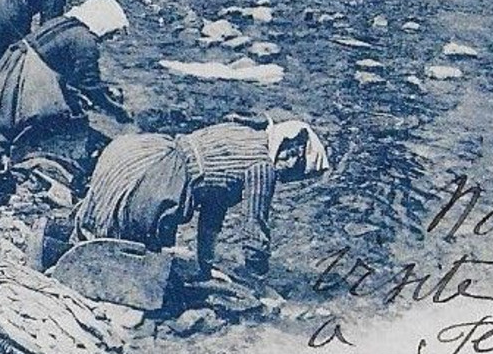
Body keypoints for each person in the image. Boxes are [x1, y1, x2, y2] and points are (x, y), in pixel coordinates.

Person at [71, 116, 329, 277]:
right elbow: (254, 227)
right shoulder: (263, 168)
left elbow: (212, 209)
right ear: (291, 153)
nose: (289, 178)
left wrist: (204, 266)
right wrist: (259, 277)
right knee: (133, 257)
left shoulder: (244, 131)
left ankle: (64, 242)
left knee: (100, 227)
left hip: (134, 153)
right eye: (296, 172)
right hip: (158, 178)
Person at [0, 0, 132, 149]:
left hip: (12, 66)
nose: (109, 38)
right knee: (62, 124)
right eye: (111, 33)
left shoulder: (63, 23)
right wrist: (115, 109)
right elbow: (88, 83)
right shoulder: (85, 41)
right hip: (28, 76)